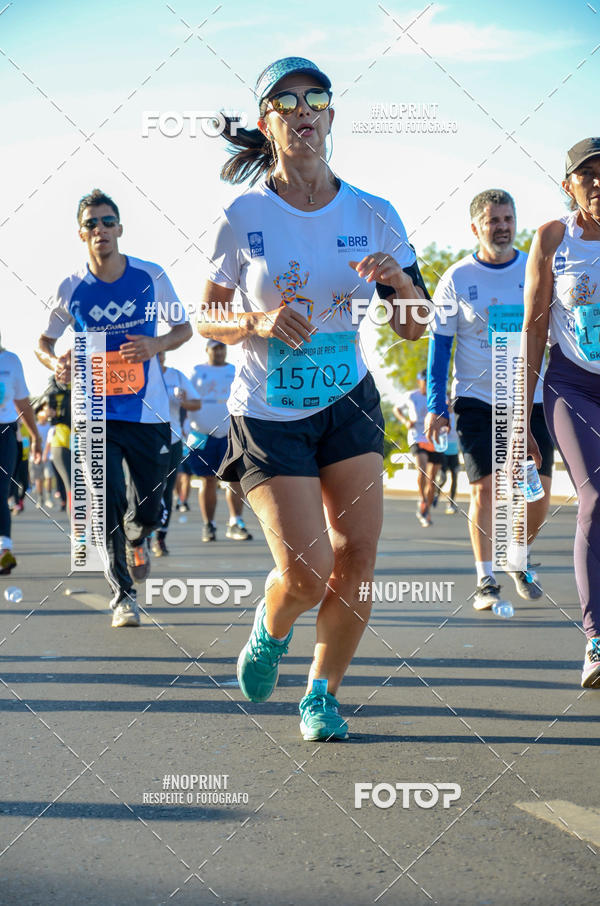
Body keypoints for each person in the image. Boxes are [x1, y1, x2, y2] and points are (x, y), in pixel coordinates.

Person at [198, 56, 429, 740]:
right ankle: (273, 627)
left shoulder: (374, 212)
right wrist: (257, 322)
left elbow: (415, 327)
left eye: (316, 99)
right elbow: (204, 317)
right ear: (268, 123)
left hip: (348, 400)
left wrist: (401, 285)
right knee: (305, 573)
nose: (303, 110)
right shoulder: (242, 214)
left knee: (357, 554)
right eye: (287, 101)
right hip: (269, 411)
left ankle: (321, 695)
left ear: (330, 116)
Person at [36, 188, 192, 627]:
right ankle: (123, 596)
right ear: (80, 233)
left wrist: (156, 343)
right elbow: (43, 343)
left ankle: (139, 535)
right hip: (93, 412)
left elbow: (184, 329)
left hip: (148, 411)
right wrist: (56, 363)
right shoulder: (71, 288)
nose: (100, 230)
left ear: (120, 228)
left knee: (147, 506)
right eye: (91, 224)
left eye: (108, 222)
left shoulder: (150, 275)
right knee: (105, 504)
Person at [425, 189, 554, 610]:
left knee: (539, 494)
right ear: (476, 227)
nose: (502, 227)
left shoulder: (535, 269)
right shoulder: (458, 278)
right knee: (485, 489)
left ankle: (517, 553)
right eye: (493, 220)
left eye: (508, 218)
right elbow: (440, 345)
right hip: (477, 400)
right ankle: (486, 579)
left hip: (531, 399)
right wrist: (435, 404)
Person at [522, 137, 600, 688]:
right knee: (595, 496)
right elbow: (532, 325)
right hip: (572, 385)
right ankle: (597, 637)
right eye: (587, 174)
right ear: (568, 185)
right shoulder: (553, 238)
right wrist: (521, 415)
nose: (598, 182)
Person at [180, 339, 252, 542]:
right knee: (207, 480)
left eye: (222, 347)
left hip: (230, 433)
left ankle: (236, 521)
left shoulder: (235, 370)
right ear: (207, 350)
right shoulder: (196, 372)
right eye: (215, 348)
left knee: (235, 480)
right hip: (202, 434)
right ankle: (209, 525)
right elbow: (186, 401)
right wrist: (185, 428)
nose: (219, 352)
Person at [153, 350, 201, 556]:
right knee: (144, 489)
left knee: (166, 489)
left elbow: (196, 403)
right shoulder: (139, 374)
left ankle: (160, 539)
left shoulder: (176, 376)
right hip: (144, 438)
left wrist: (182, 400)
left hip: (171, 438)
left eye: (161, 351)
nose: (158, 355)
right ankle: (140, 537)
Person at [0, 337, 41, 573]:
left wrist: (35, 436)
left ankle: (4, 551)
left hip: (4, 432)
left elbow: (23, 403)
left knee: (1, 491)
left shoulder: (11, 361)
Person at [393, 370, 442, 527]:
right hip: (416, 436)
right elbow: (396, 409)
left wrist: (446, 425)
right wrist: (405, 421)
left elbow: (447, 412)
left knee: (432, 480)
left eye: (429, 381)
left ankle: (425, 510)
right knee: (421, 468)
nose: (426, 384)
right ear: (419, 381)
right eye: (424, 380)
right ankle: (422, 499)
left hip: (433, 438)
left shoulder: (437, 395)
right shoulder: (411, 396)